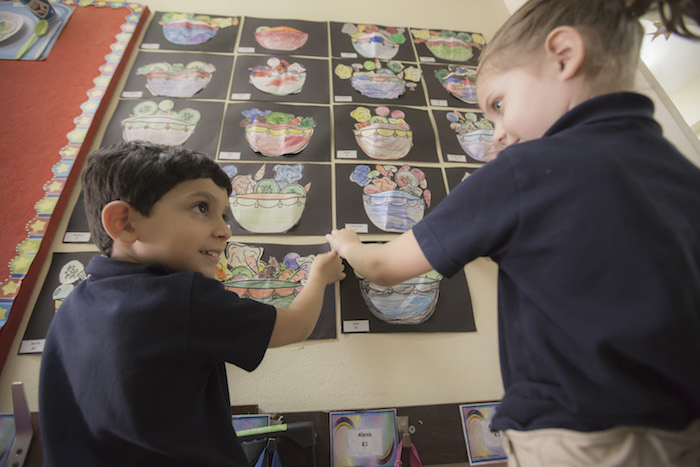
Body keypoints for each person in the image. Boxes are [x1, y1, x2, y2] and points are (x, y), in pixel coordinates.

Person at [327, 0, 700, 465]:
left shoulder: (523, 171)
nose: (499, 134)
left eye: (498, 105)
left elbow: (383, 268)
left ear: (564, 55)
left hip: (578, 437)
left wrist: (349, 244)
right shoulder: (683, 173)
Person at [39, 141, 345, 466]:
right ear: (124, 223)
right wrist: (319, 276)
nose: (225, 230)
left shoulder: (71, 306)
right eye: (202, 208)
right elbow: (295, 325)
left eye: (224, 215)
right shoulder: (182, 296)